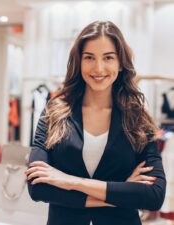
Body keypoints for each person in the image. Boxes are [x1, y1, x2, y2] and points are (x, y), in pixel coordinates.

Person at [25, 21, 166, 225]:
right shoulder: (53, 113)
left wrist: (70, 181)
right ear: (79, 62)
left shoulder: (138, 120)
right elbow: (38, 188)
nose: (98, 68)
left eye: (108, 57)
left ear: (120, 63)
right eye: (89, 57)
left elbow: (154, 195)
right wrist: (120, 194)